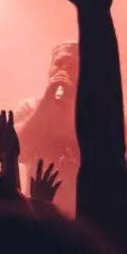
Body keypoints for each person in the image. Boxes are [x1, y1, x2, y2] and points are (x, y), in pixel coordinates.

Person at [15, 43, 80, 206]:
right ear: (49, 69)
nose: (63, 70)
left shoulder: (98, 112)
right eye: (58, 63)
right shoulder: (29, 107)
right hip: (39, 212)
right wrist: (46, 103)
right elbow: (18, 152)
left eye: (72, 65)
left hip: (83, 216)